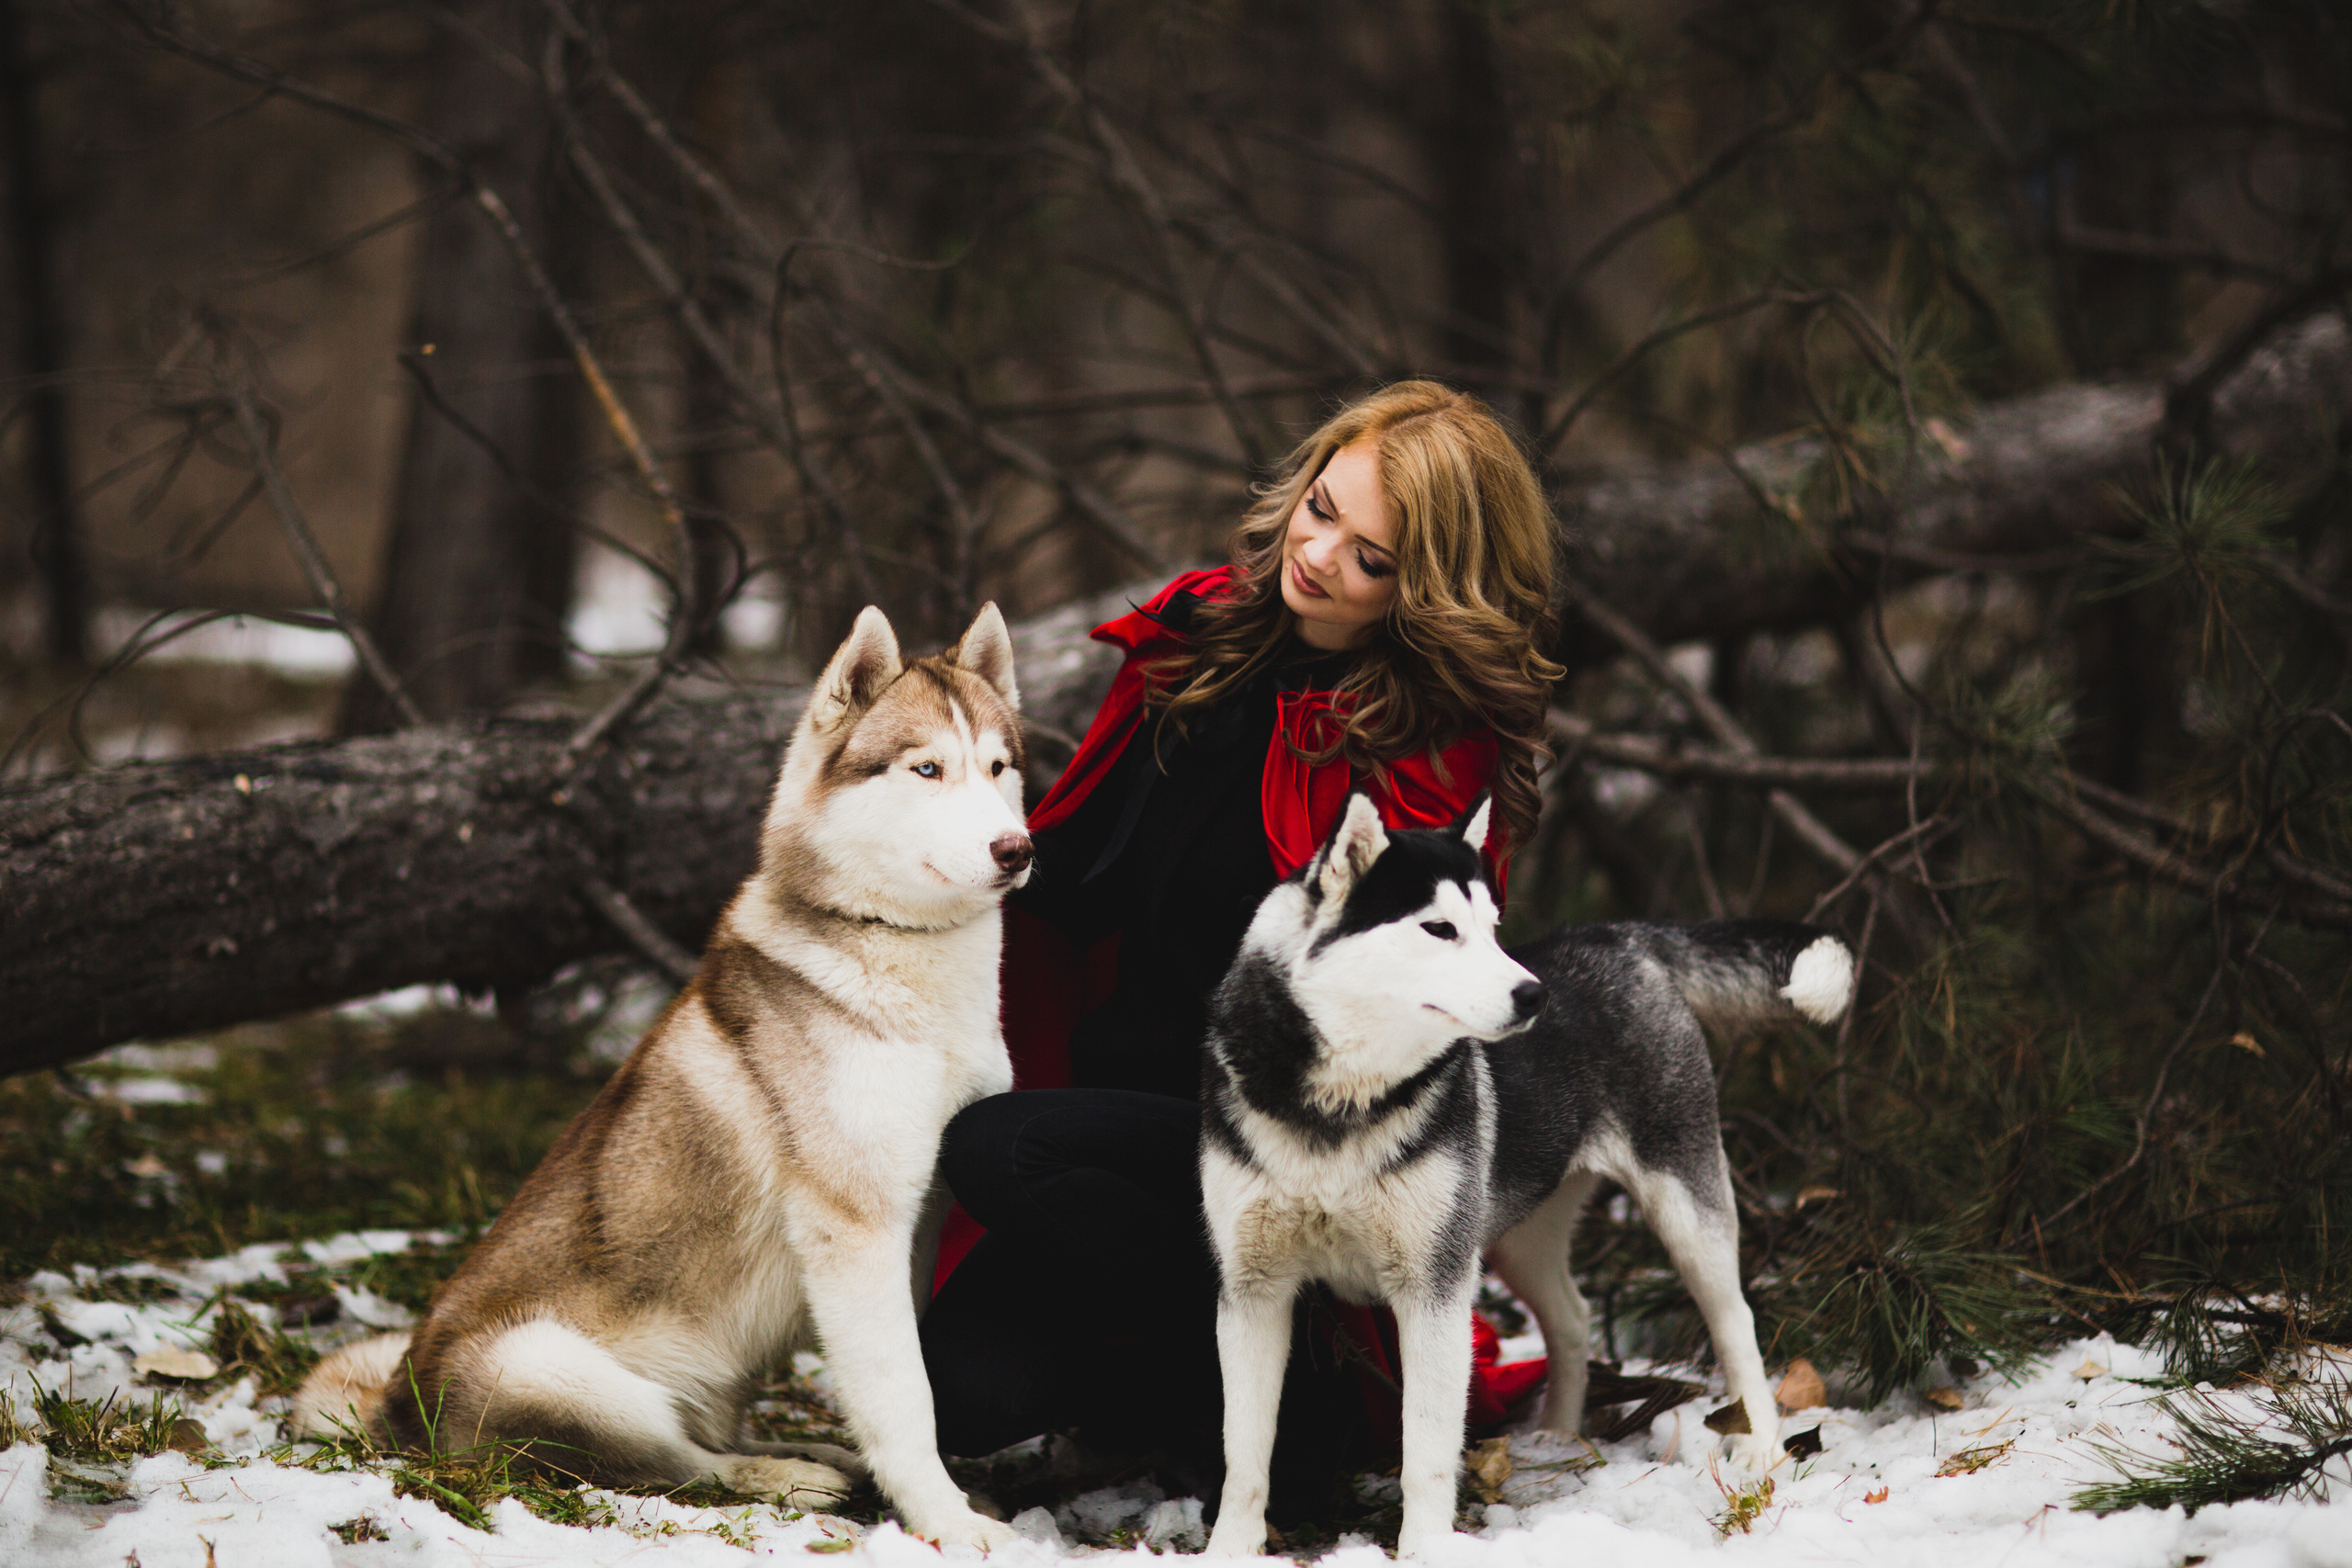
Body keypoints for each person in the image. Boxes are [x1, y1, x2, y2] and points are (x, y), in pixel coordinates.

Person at [918, 380, 1563, 1511]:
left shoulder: (1422, 751)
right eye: (1321, 510)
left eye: (1371, 558)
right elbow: (1069, 882)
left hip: (1283, 1145)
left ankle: (1293, 1366)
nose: (1318, 557)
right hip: (1119, 1117)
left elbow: (1420, 1005)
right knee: (960, 1399)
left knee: (998, 1152)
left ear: (1422, 590)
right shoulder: (1196, 643)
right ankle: (1187, 1384)